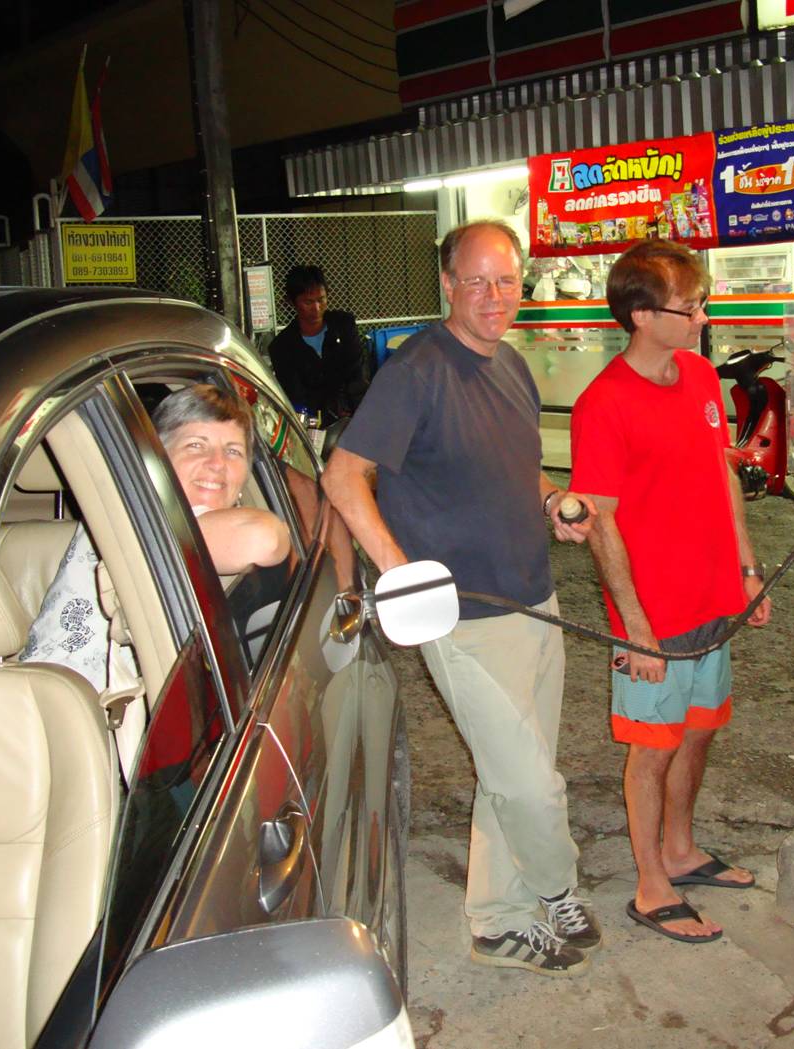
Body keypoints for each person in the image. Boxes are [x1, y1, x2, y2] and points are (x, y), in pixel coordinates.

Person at [322, 219, 601, 977]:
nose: (491, 295)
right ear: (446, 285)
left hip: (533, 598)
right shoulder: (417, 369)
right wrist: (401, 573)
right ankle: (554, 886)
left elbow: (518, 468)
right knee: (527, 780)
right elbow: (342, 477)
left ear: (521, 285)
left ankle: (499, 916)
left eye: (504, 280)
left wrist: (552, 503)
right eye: (474, 281)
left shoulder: (511, 364)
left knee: (514, 769)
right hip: (460, 614)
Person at [569, 240, 771, 944]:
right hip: (651, 613)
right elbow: (599, 518)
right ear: (640, 315)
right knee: (651, 747)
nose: (701, 318)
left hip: (713, 594)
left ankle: (681, 851)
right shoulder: (602, 404)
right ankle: (651, 885)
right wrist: (634, 627)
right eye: (689, 309)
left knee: (700, 727)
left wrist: (746, 570)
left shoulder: (697, 374)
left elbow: (720, 475)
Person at [20, 384, 291, 689]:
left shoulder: (131, 504)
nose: (217, 463)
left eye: (233, 451)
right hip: (67, 715)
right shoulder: (137, 513)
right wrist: (285, 528)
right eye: (196, 445)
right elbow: (263, 538)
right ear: (158, 457)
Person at [267, 264, 369, 424]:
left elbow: (356, 373)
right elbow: (295, 395)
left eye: (321, 300)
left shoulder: (344, 325)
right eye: (308, 302)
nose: (316, 308)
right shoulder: (282, 347)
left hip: (355, 414)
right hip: (314, 424)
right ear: (291, 303)